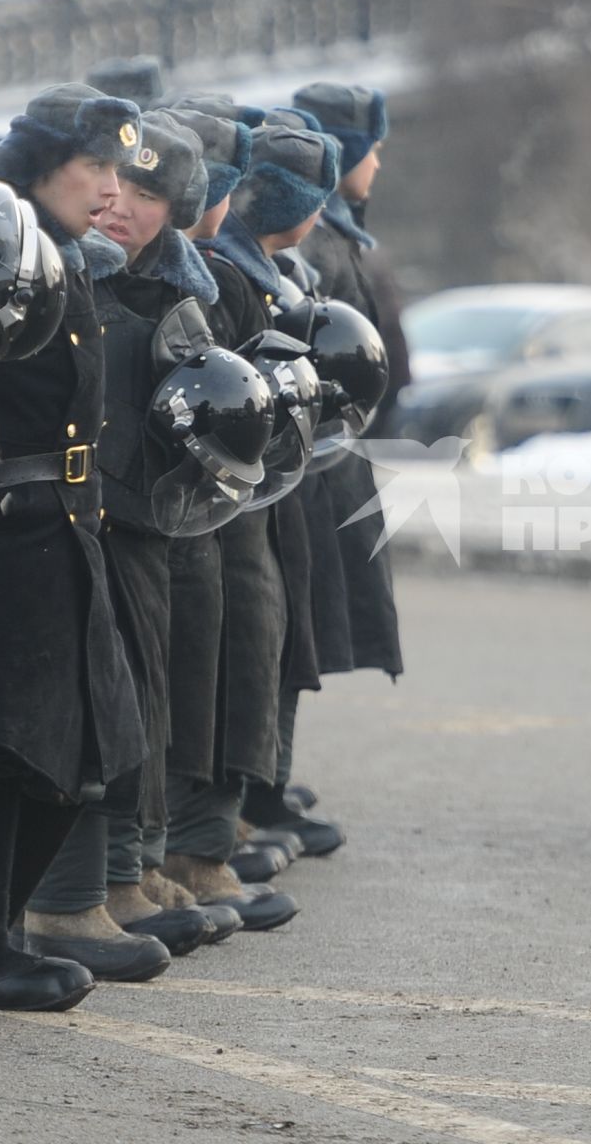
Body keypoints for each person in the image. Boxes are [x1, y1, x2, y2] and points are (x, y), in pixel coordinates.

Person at [0, 83, 149, 1011]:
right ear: (45, 162)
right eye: (98, 166)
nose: (114, 189)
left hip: (65, 516)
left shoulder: (56, 246)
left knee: (95, 740)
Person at [22, 110, 253, 975]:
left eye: (150, 192)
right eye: (116, 181)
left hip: (152, 523)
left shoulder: (188, 290)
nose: (121, 204)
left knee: (152, 694)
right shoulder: (66, 272)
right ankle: (77, 892)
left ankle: (131, 869)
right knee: (92, 707)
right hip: (76, 522)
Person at [158, 124, 340, 926]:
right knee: (203, 674)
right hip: (196, 514)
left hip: (239, 509)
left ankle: (197, 844)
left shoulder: (224, 271)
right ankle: (179, 852)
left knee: (241, 659)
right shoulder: (213, 277)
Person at [248, 80, 408, 856]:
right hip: (298, 474)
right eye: (370, 145)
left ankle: (264, 782)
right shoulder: (307, 238)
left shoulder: (335, 230)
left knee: (292, 637)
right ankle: (254, 791)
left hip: (323, 466)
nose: (379, 160)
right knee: (280, 640)